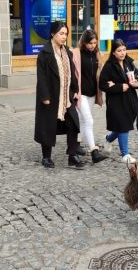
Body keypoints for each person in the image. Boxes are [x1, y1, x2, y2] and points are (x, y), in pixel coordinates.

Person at [34, 21, 84, 169]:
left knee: (73, 124)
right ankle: (46, 157)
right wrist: (45, 97)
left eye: (66, 34)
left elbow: (72, 73)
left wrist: (74, 90)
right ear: (52, 34)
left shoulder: (67, 52)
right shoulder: (45, 53)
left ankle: (72, 155)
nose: (64, 37)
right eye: (61, 34)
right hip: (51, 96)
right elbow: (41, 77)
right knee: (48, 126)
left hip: (66, 95)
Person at [99, 39, 138, 165]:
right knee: (124, 125)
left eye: (124, 50)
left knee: (124, 125)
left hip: (130, 99)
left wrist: (136, 83)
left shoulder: (129, 62)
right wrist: (118, 87)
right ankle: (125, 154)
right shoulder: (109, 66)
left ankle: (108, 139)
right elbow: (102, 84)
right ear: (113, 52)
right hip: (116, 101)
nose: (122, 53)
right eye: (119, 51)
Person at [71, 29, 108, 164]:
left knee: (82, 119)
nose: (92, 45)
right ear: (84, 42)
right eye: (90, 43)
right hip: (81, 94)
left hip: (93, 93)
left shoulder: (98, 54)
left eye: (94, 42)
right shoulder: (77, 54)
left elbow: (100, 72)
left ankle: (76, 144)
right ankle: (94, 151)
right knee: (89, 120)